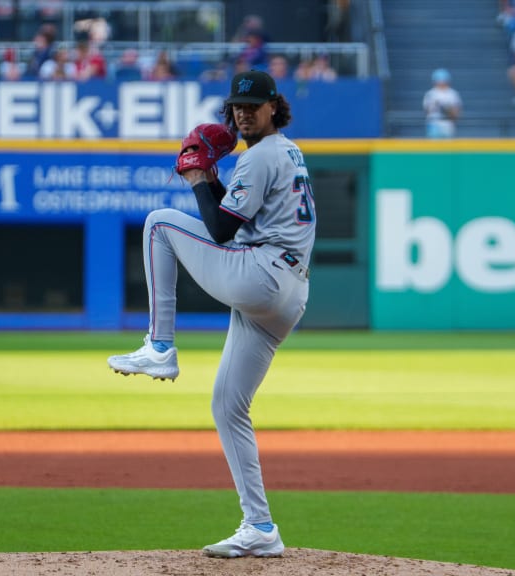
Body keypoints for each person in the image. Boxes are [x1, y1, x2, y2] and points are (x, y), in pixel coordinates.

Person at [106, 70, 314, 559]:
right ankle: (260, 525)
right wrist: (214, 181)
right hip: (287, 293)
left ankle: (160, 345)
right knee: (227, 405)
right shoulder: (285, 150)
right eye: (238, 105)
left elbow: (219, 231)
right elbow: (236, 222)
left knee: (159, 223)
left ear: (273, 106)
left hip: (261, 274)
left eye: (254, 105)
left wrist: (200, 177)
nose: (244, 112)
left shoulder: (259, 156)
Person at [423, 68, 462, 138]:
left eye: (443, 80)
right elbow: (427, 111)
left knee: (448, 148)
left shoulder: (452, 94)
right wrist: (435, 105)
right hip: (433, 125)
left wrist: (447, 109)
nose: (441, 83)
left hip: (447, 125)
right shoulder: (430, 94)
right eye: (439, 81)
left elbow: (456, 114)